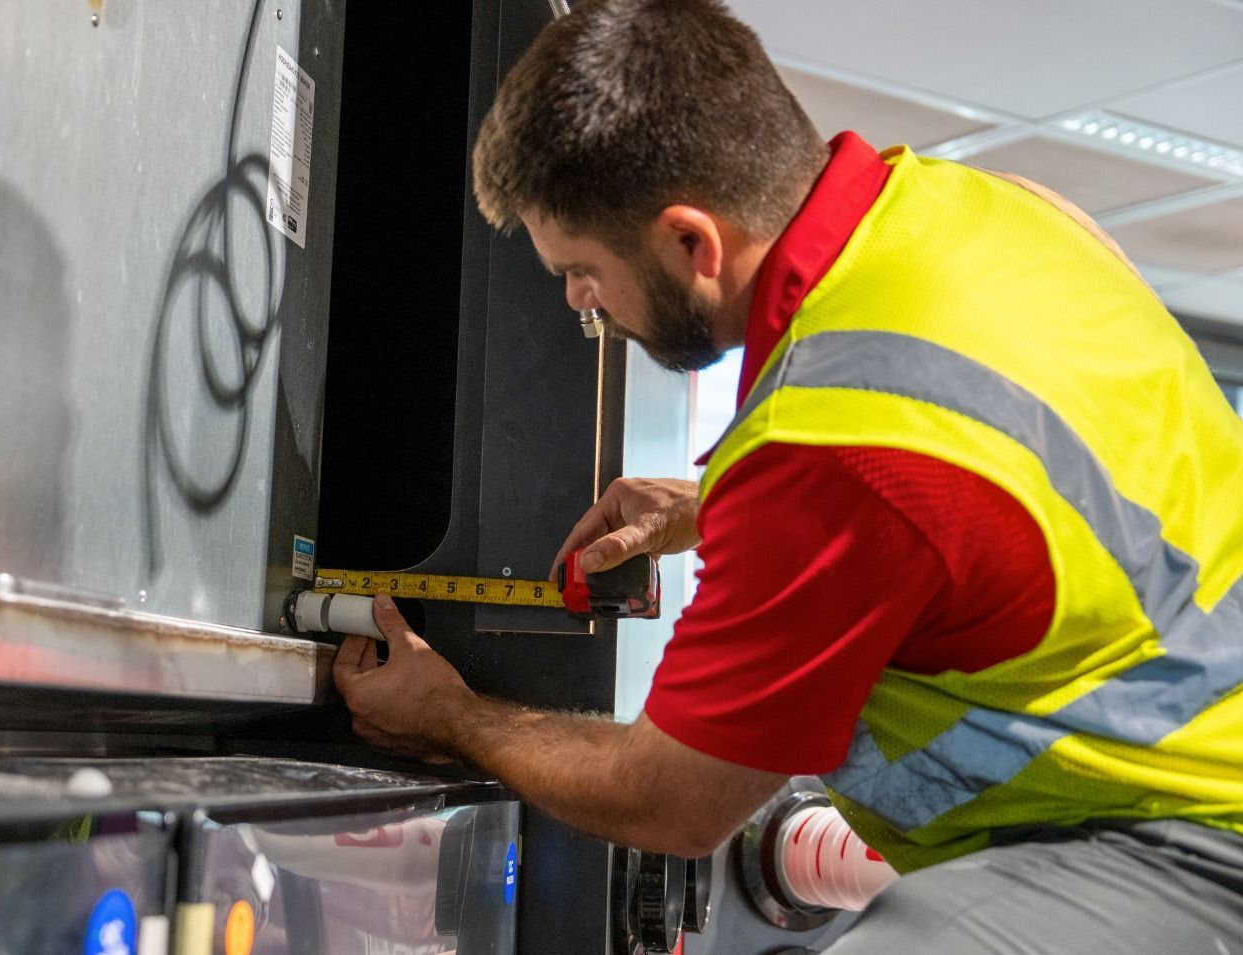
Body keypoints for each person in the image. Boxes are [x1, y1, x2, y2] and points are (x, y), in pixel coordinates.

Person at [332, 1, 1243, 950]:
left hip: (1183, 841)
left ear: (693, 243)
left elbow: (669, 801)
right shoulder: (1001, 212)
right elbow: (1027, 470)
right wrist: (728, 501)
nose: (577, 301)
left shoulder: (828, 450)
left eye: (584, 269)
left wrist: (455, 717)